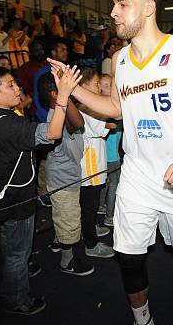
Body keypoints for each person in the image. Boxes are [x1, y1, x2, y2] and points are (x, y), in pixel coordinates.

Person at [48, 0, 173, 325]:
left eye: (122, 4)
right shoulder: (120, 59)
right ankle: (142, 319)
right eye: (114, 4)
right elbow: (115, 108)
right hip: (137, 174)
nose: (113, 12)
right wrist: (74, 89)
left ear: (148, 8)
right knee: (127, 255)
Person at [0, 64, 81, 315]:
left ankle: (19, 270)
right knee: (17, 252)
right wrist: (63, 95)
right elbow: (53, 133)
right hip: (16, 196)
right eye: (10, 85)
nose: (17, 88)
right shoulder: (8, 124)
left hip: (0, 192)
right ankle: (16, 299)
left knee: (12, 242)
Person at [37, 72, 94, 276]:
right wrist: (65, 96)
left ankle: (57, 241)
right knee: (69, 221)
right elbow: (79, 124)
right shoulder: (58, 117)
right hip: (63, 179)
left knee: (63, 214)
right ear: (55, 94)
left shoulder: (58, 113)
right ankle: (67, 262)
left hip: (64, 175)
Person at [76, 69, 115, 258]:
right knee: (89, 205)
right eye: (96, 84)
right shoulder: (88, 107)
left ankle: (89, 228)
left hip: (93, 159)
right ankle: (91, 245)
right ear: (83, 86)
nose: (99, 87)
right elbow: (107, 126)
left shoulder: (87, 105)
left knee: (90, 203)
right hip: (90, 164)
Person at [98, 73, 122, 226]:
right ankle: (109, 216)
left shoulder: (102, 107)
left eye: (111, 85)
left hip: (103, 157)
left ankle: (101, 206)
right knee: (113, 185)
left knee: (104, 184)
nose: (109, 89)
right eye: (105, 86)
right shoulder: (109, 110)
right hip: (111, 157)